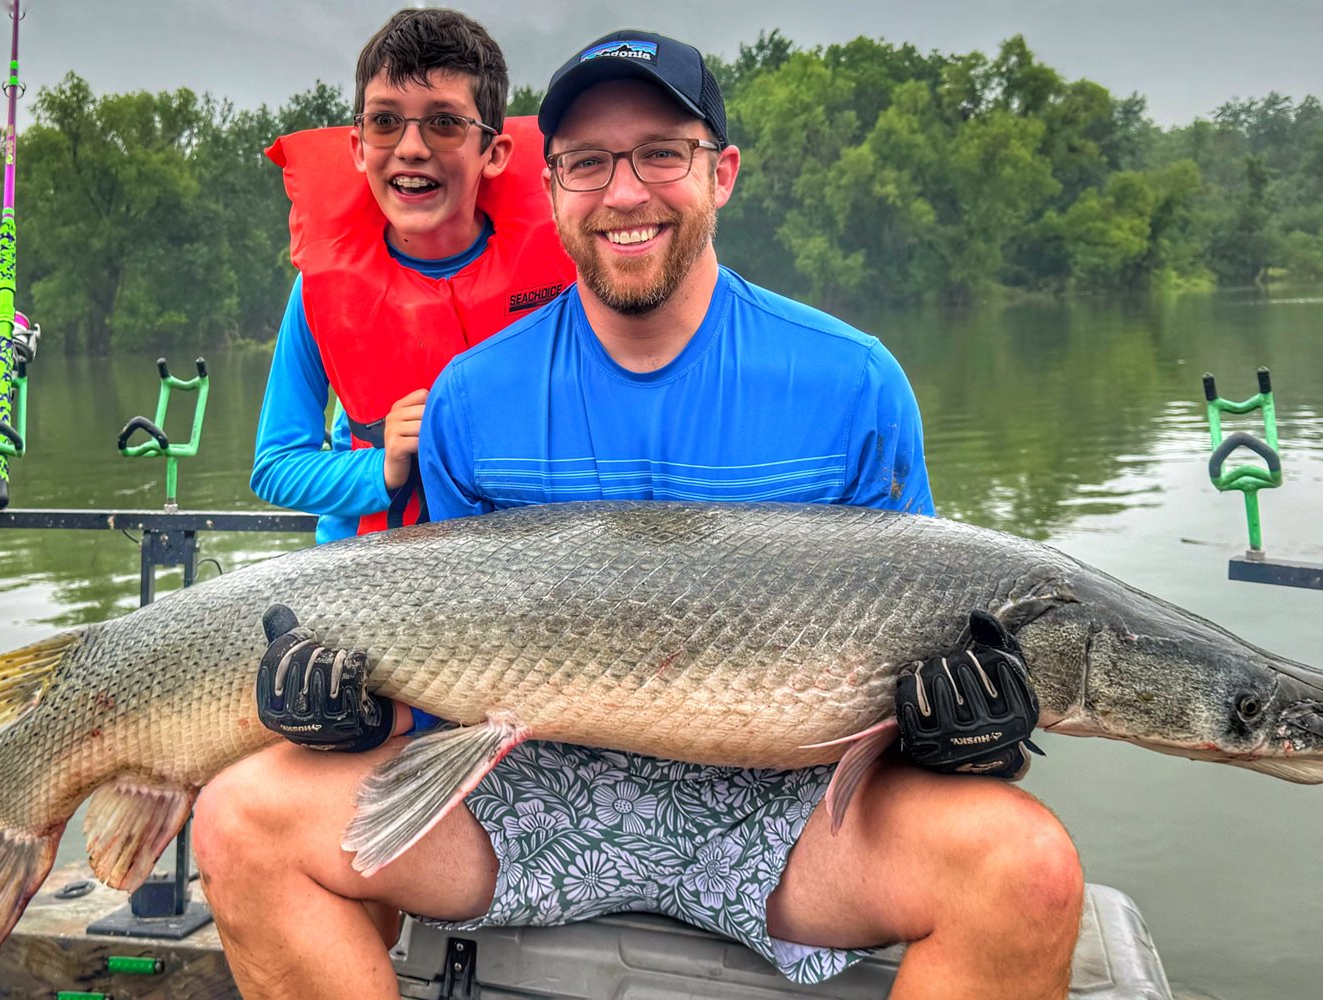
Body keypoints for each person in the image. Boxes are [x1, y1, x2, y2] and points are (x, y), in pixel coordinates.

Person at [195, 30, 1083, 1000]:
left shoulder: (855, 381)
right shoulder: (467, 398)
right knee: (241, 818)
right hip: (532, 790)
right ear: (552, 184)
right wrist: (350, 713)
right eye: (587, 162)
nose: (625, 192)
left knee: (1025, 869)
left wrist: (961, 727)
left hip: (788, 807)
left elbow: (924, 627)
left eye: (661, 152)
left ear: (721, 172)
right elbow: (443, 669)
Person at [249, 8, 573, 543]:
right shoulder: (318, 289)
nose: (412, 147)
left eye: (445, 123)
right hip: (371, 571)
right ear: (358, 147)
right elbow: (276, 466)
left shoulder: (569, 268)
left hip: (519, 568)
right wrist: (383, 466)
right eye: (384, 121)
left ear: (493, 153)